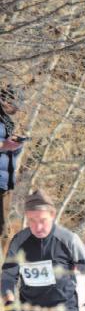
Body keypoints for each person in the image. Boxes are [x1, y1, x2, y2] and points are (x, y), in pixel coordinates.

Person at [0, 85, 25, 248]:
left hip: (6, 182)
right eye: (14, 105)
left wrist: (17, 145)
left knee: (4, 229)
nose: (16, 109)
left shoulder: (7, 121)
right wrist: (4, 145)